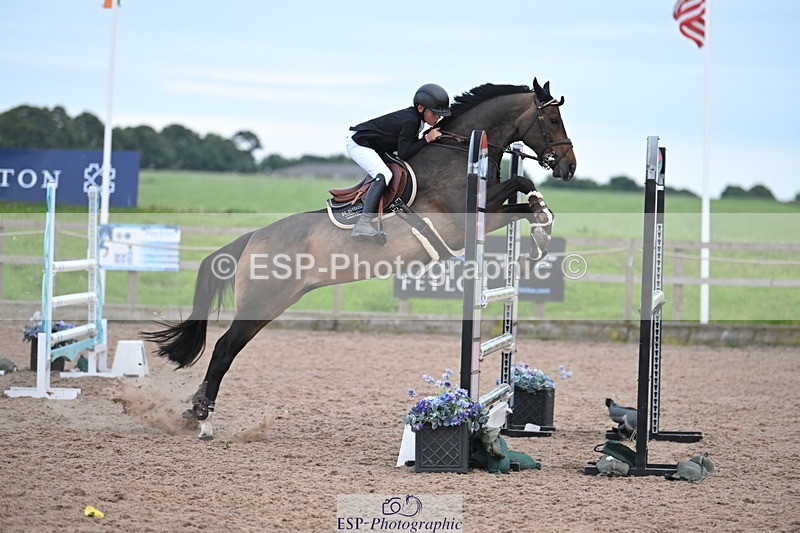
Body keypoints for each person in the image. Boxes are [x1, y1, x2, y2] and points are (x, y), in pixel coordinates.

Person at [346, 83, 451, 240]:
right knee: (383, 174)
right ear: (421, 108)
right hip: (359, 144)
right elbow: (405, 153)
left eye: (440, 114)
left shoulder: (417, 120)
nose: (438, 117)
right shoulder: (411, 121)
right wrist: (427, 139)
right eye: (435, 113)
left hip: (375, 146)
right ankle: (363, 222)